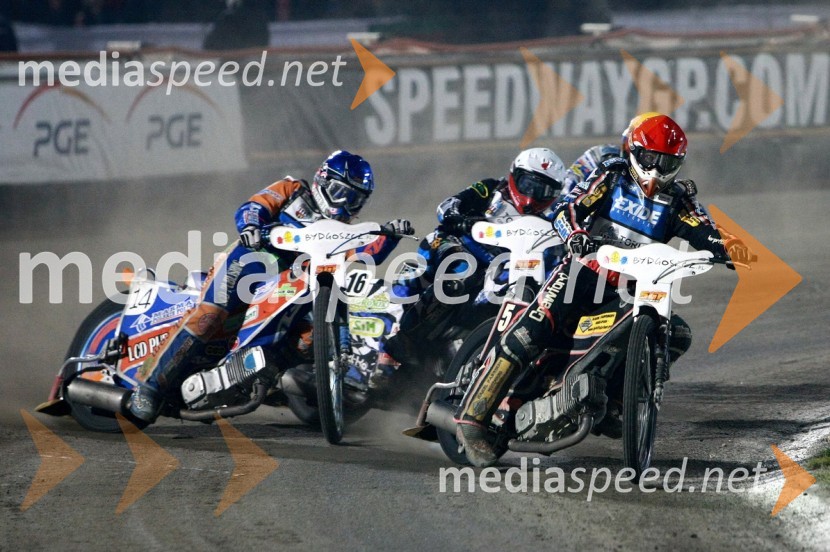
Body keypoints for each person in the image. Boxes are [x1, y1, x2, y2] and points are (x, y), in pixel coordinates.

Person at [455, 114, 753, 467]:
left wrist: (734, 248)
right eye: (651, 160)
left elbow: (705, 230)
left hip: (631, 289)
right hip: (583, 271)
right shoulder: (610, 178)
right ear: (634, 153)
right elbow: (568, 210)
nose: (657, 171)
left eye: (668, 163)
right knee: (532, 331)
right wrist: (576, 235)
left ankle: (616, 402)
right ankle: (473, 418)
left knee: (677, 335)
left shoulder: (679, 201)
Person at [128, 150, 413, 422]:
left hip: (292, 286)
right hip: (251, 260)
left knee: (311, 337)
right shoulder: (292, 189)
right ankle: (149, 385)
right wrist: (252, 227)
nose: (345, 207)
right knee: (210, 314)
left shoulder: (342, 231)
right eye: (341, 194)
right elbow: (254, 206)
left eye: (356, 202)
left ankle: (271, 377)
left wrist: (391, 234)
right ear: (322, 180)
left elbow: (368, 254)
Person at [384, 148, 568, 366]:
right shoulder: (490, 188)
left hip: (496, 268)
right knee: (462, 270)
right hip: (453, 243)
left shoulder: (552, 219)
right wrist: (461, 220)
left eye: (544, 192)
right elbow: (447, 206)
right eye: (529, 186)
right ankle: (405, 338)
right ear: (514, 175)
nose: (532, 197)